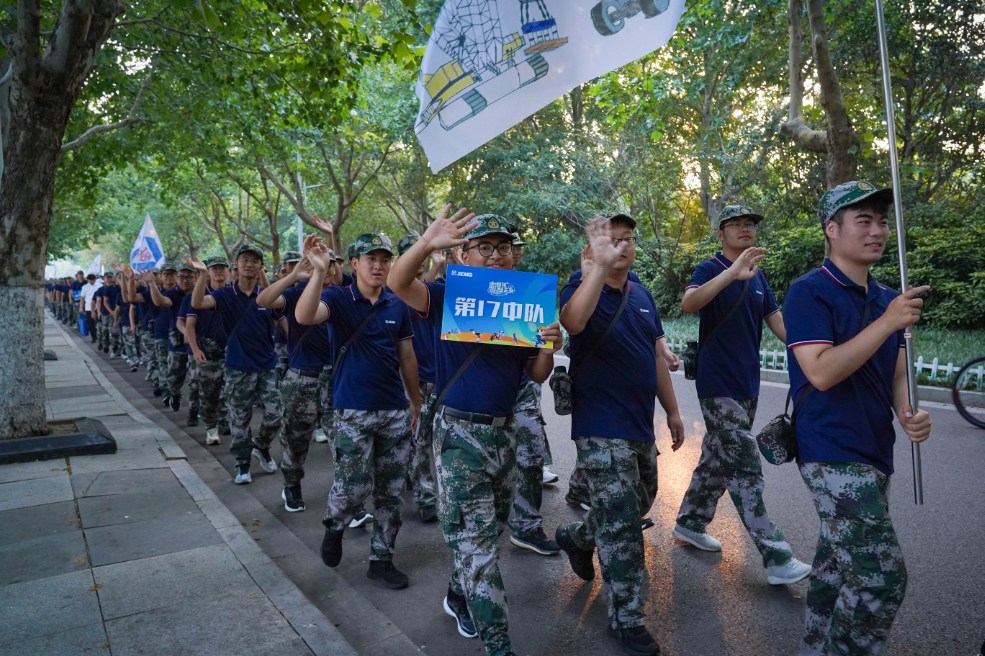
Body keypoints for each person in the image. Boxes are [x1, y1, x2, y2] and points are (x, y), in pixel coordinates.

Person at [388, 208, 562, 656]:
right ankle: (499, 645)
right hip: (458, 438)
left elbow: (536, 374)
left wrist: (549, 345)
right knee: (479, 549)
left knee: (486, 536)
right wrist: (426, 243)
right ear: (461, 255)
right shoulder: (447, 295)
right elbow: (397, 283)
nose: (496, 255)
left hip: (504, 437)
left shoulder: (525, 302)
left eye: (503, 247)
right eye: (483, 247)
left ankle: (458, 594)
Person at [784, 181, 931, 656]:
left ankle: (814, 647)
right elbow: (821, 372)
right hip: (830, 452)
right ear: (832, 229)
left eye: (882, 221)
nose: (877, 231)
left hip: (875, 450)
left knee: (835, 567)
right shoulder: (809, 292)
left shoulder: (887, 296)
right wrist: (887, 321)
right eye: (863, 221)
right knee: (881, 580)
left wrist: (908, 411)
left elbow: (894, 371)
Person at [556, 214, 685, 656]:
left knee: (638, 502)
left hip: (638, 425)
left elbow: (653, 357)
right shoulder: (579, 286)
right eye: (613, 240)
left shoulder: (643, 295)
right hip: (599, 426)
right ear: (592, 249)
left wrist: (672, 411)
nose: (623, 247)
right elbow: (573, 323)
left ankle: (577, 538)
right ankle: (627, 617)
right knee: (625, 524)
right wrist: (594, 268)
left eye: (629, 240)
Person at [672, 205, 812, 585]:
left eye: (750, 224)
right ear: (721, 233)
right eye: (737, 225)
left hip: (747, 382)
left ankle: (689, 522)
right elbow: (689, 304)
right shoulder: (709, 269)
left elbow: (777, 321)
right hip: (717, 384)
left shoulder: (759, 276)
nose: (746, 229)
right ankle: (776, 555)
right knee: (745, 466)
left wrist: (811, 351)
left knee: (718, 457)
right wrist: (732, 274)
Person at [296, 233, 420, 590]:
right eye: (371, 259)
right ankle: (335, 524)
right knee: (353, 484)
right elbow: (305, 316)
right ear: (354, 263)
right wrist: (319, 272)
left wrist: (415, 401)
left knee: (391, 490)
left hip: (394, 409)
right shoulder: (337, 297)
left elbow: (407, 357)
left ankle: (381, 559)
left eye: (384, 259)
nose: (379, 265)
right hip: (353, 408)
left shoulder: (397, 304)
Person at [189, 244, 284, 485]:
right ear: (237, 265)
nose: (249, 263)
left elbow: (281, 317)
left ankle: (261, 447)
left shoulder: (267, 294)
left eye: (254, 260)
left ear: (260, 267)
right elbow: (198, 303)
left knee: (276, 414)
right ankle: (242, 464)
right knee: (239, 419)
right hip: (238, 367)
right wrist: (202, 275)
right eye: (244, 259)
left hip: (267, 365)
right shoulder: (225, 295)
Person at [256, 250, 336, 513]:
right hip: (302, 379)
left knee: (344, 440)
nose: (326, 270)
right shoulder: (294, 294)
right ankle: (292, 486)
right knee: (296, 439)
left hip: (336, 379)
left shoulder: (342, 296)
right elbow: (265, 299)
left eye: (330, 265)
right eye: (318, 266)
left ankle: (348, 496)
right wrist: (292, 276)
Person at [503, 231, 559, 555]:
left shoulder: (529, 293)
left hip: (522, 389)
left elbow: (537, 368)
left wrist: (549, 348)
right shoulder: (460, 291)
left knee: (531, 456)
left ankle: (526, 526)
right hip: (476, 399)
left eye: (510, 248)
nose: (507, 255)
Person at [397, 234, 439, 524]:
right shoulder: (394, 296)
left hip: (442, 377)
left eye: (423, 253)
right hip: (410, 379)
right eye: (412, 253)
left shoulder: (438, 292)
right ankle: (426, 496)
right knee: (419, 439)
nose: (420, 258)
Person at [183, 257, 231, 444]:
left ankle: (224, 420)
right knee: (210, 394)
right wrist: (195, 350)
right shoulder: (197, 295)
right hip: (208, 354)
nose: (218, 271)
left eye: (222, 268)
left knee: (231, 393)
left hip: (231, 353)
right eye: (214, 268)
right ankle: (211, 427)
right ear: (208, 272)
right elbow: (189, 325)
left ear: (228, 271)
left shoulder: (234, 293)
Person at [143, 263, 195, 412]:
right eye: (181, 277)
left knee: (197, 377)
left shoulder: (201, 292)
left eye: (189, 277)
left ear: (195, 278)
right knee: (175, 374)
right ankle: (174, 394)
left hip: (198, 340)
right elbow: (160, 301)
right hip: (177, 339)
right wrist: (152, 283)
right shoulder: (172, 293)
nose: (185, 280)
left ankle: (195, 410)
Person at [79, 274, 102, 343]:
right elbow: (82, 298)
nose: (92, 281)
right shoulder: (84, 287)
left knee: (99, 323)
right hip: (88, 307)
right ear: (87, 280)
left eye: (93, 280)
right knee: (90, 324)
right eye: (90, 280)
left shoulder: (99, 286)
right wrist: (81, 307)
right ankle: (94, 337)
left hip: (98, 307)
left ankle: (100, 338)